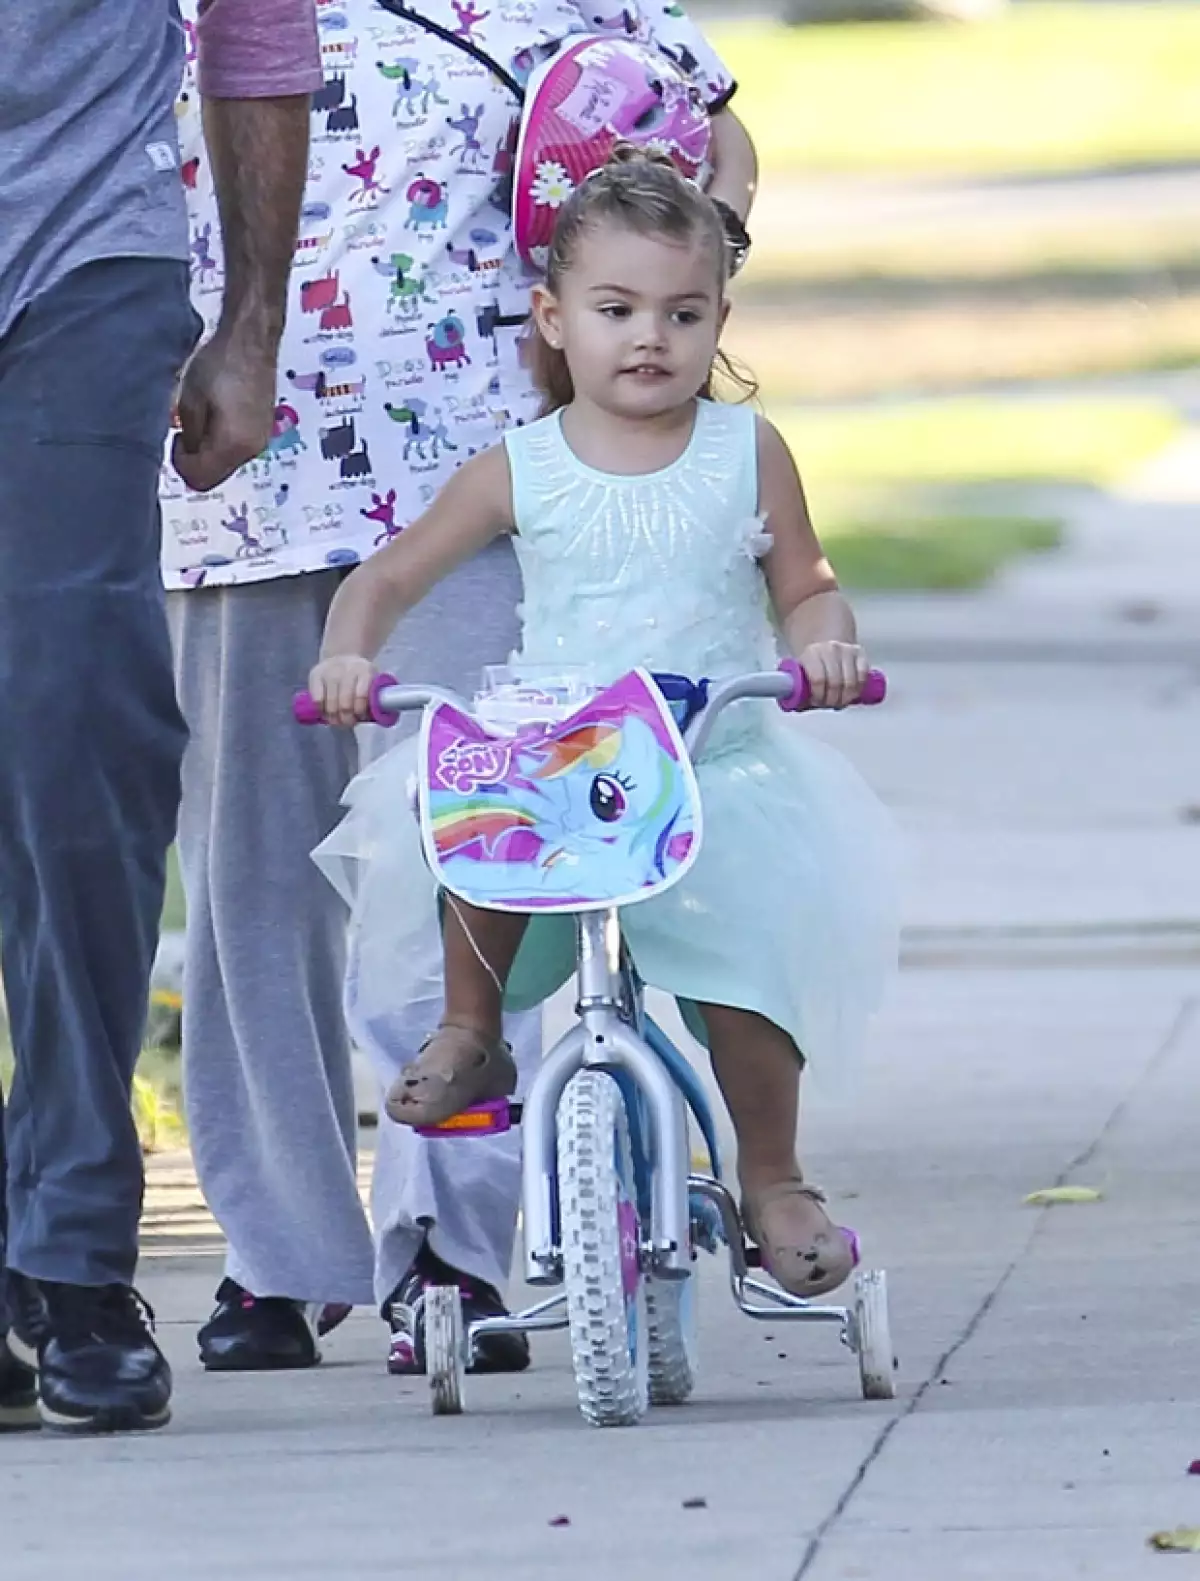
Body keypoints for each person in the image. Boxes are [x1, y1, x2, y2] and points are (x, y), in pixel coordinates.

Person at [166, 1, 755, 1376]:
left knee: (480, 858)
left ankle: (454, 1243)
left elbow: (718, 133)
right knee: (253, 887)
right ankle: (279, 1252)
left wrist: (674, 272)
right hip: (231, 484)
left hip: (476, 487)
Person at [308, 150, 899, 1303]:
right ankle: (472, 1029)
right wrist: (348, 655)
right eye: (616, 310)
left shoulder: (745, 451)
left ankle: (773, 1175)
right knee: (470, 802)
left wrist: (825, 643)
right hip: (564, 766)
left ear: (720, 319)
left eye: (683, 313)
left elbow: (807, 584)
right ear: (553, 317)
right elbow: (386, 578)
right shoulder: (521, 467)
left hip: (712, 765)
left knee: (746, 970)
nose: (650, 338)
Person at [0, 0, 321, 1435]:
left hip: (83, 251)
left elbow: (256, 21)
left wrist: (252, 323)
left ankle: (73, 1244)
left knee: (78, 726)